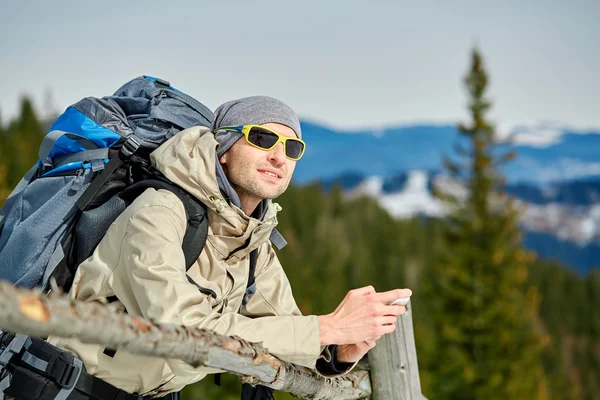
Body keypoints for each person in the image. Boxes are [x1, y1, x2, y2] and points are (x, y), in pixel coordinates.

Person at [48, 96, 412, 398]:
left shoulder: (253, 241)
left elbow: (281, 329)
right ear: (222, 147)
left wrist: (335, 354)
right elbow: (180, 329)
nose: (279, 156)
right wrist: (326, 328)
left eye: (292, 147)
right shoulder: (160, 209)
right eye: (263, 139)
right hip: (67, 389)